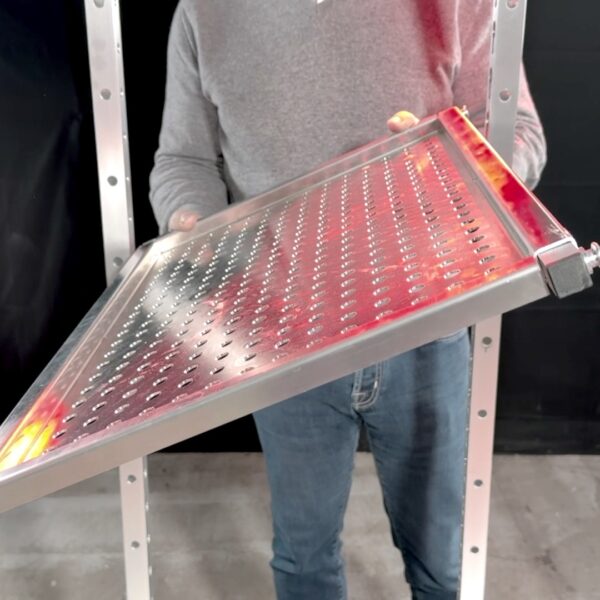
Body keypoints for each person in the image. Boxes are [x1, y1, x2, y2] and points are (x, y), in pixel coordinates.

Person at [149, 1, 546, 598]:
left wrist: (453, 161)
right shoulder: (205, 13)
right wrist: (195, 224)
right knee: (303, 558)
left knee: (443, 562)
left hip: (425, 325)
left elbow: (518, 133)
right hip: (283, 338)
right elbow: (184, 160)